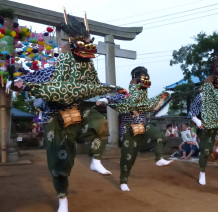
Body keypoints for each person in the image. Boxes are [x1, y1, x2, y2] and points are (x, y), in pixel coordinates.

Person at [8, 13, 128, 212]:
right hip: (55, 119)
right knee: (60, 161)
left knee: (101, 123)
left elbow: (96, 86)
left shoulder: (85, 71)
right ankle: (63, 198)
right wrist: (16, 84)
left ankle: (95, 160)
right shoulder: (51, 72)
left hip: (77, 113)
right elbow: (27, 81)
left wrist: (117, 88)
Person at [97, 66, 172, 192]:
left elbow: (151, 104)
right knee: (128, 158)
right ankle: (123, 181)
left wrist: (161, 97)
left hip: (143, 126)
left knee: (159, 135)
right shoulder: (127, 94)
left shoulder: (144, 96)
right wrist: (104, 99)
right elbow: (113, 98)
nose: (145, 80)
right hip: (128, 130)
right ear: (135, 79)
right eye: (142, 77)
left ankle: (159, 158)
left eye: (146, 77)